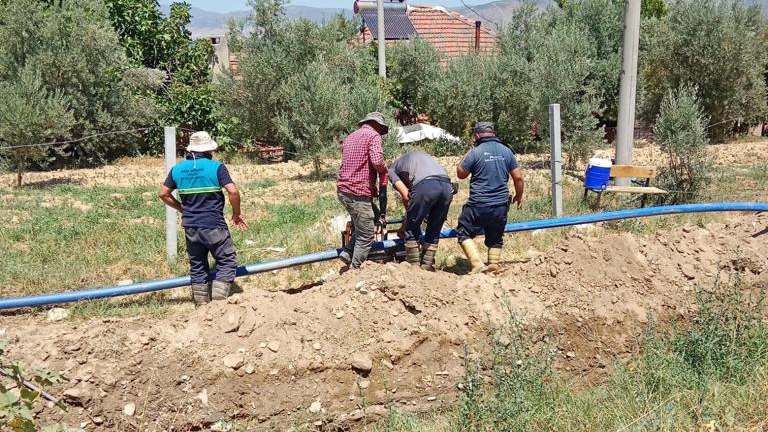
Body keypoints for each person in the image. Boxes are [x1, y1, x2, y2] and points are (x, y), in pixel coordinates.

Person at [158, 131, 248, 305]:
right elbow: (233, 191)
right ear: (209, 150)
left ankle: (202, 306)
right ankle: (219, 304)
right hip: (213, 224)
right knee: (227, 261)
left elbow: (163, 194)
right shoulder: (216, 167)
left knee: (198, 265)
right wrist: (236, 213)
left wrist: (182, 208)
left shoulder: (177, 169)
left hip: (190, 226)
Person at [456, 122, 524, 273]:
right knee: (496, 237)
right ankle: (493, 264)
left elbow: (460, 174)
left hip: (479, 203)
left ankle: (477, 264)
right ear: (493, 134)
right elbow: (518, 177)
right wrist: (519, 196)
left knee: (463, 231)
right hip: (501, 205)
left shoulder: (475, 152)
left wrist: (469, 152)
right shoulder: (506, 151)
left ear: (477, 135)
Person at [337, 112, 389, 269]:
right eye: (381, 129)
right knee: (366, 234)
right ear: (377, 125)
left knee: (370, 217)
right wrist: (385, 169)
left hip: (343, 190)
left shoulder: (350, 137)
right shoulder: (373, 136)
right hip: (357, 192)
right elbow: (377, 161)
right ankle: (355, 269)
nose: (380, 132)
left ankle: (348, 252)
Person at [389, 150, 453, 271]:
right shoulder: (419, 158)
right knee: (434, 229)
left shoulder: (391, 170)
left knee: (411, 229)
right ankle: (427, 267)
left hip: (426, 185)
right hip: (447, 187)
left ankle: (414, 269)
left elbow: (406, 196)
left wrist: (406, 224)